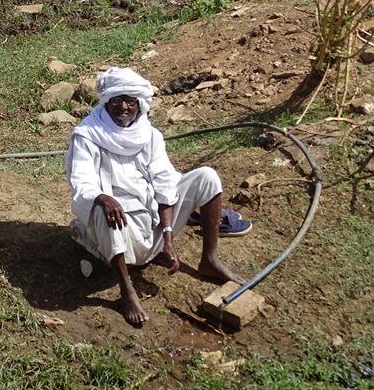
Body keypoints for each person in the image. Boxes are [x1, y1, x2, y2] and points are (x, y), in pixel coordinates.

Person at [66, 67, 245, 325]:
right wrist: (103, 198)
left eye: (131, 101)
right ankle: (127, 291)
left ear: (140, 104)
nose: (124, 107)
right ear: (107, 103)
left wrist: (168, 237)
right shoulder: (89, 135)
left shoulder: (149, 135)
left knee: (207, 176)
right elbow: (82, 183)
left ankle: (210, 260)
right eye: (117, 100)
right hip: (120, 232)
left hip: (154, 224)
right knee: (105, 206)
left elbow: (164, 182)